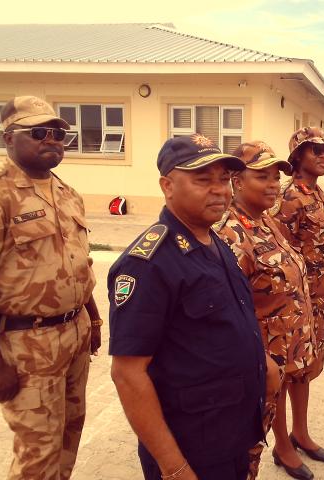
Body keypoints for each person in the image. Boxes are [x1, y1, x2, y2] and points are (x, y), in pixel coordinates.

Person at [108, 134, 266, 480]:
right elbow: (127, 374)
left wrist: (263, 363)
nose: (220, 190)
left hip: (233, 432)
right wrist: (174, 467)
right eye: (202, 180)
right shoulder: (148, 264)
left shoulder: (214, 241)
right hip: (193, 447)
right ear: (167, 186)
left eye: (224, 179)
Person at [0, 95, 102, 480]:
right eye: (39, 132)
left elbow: (78, 264)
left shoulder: (68, 194)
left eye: (58, 133)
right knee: (37, 455)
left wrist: (94, 320)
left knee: (69, 436)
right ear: (8, 139)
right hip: (26, 345)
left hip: (74, 334)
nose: (52, 139)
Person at [215, 141, 317, 480]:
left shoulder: (265, 221)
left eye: (276, 177)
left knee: (254, 442)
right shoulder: (232, 233)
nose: (273, 184)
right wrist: (261, 361)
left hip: (280, 356)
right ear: (237, 181)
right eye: (262, 177)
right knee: (245, 446)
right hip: (256, 365)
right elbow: (226, 317)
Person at [270, 127, 324, 468]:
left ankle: (301, 432)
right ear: (297, 157)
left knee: (305, 370)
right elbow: (277, 257)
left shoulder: (319, 194)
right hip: (293, 307)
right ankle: (281, 444)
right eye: (315, 150)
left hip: (320, 305)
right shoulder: (289, 197)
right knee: (284, 375)